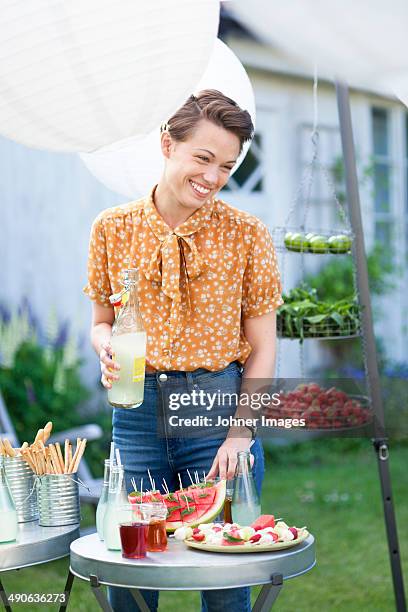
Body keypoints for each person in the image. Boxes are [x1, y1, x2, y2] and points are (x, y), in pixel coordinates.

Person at [84, 89, 283, 612]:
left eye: (227, 166)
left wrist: (240, 437)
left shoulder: (247, 235)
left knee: (224, 584)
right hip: (136, 411)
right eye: (203, 158)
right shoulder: (111, 228)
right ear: (167, 144)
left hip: (216, 411)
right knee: (131, 577)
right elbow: (100, 323)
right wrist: (105, 346)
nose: (214, 177)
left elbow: (264, 350)